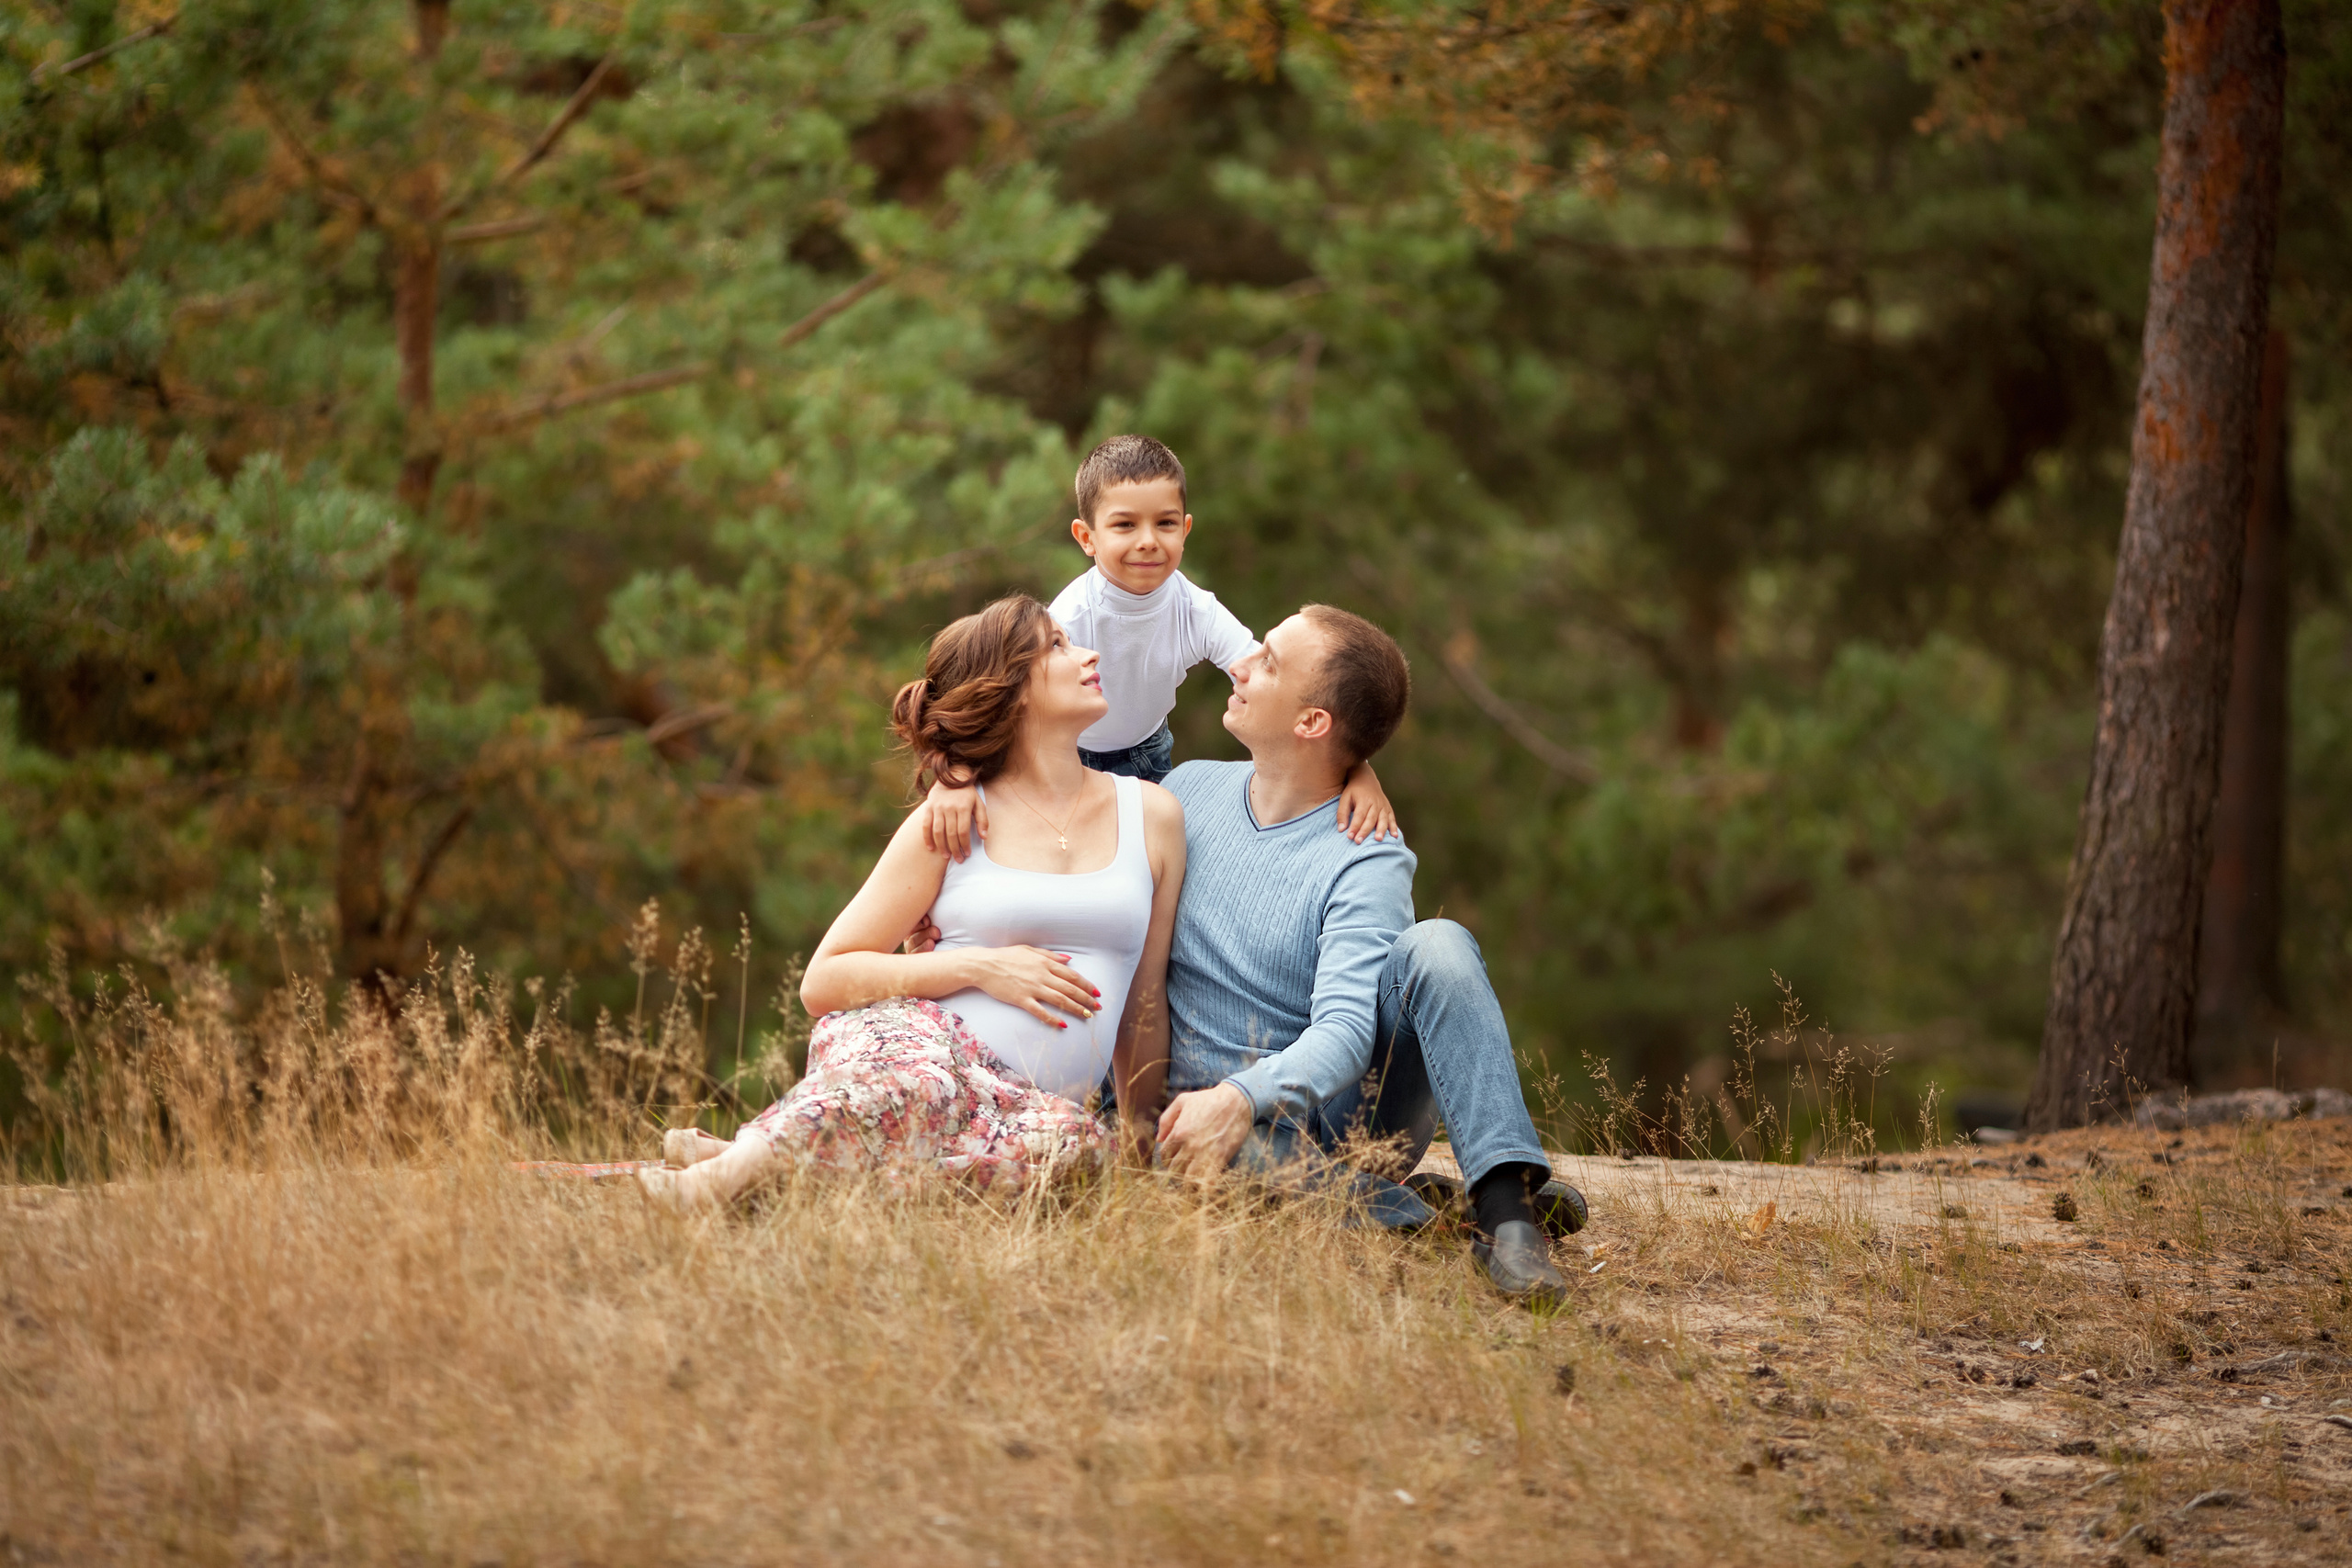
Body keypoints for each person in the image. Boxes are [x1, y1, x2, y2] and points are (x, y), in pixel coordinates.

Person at [637, 593, 1186, 1211]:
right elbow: (823, 980)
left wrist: (1141, 1154)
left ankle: (760, 1157)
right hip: (919, 1046)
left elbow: (1144, 1000)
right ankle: (710, 1186)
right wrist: (981, 967)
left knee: (1075, 1156)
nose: (1089, 655)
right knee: (923, 1085)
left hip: (1024, 1108)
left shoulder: (1153, 815)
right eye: (1057, 645)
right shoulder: (951, 820)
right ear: (1011, 689)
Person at [1149, 604, 1580, 1305]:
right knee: (1216, 1151)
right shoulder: (1184, 791)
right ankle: (1423, 1208)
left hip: (1345, 1122)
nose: (1242, 664)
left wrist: (1240, 1095)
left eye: (1269, 662)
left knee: (1438, 944)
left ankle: (1508, 1214)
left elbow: (1347, 1032)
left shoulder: (1366, 852)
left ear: (1311, 722)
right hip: (1208, 1118)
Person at [916, 435, 1397, 859]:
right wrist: (955, 777)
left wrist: (1356, 768)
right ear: (1087, 537)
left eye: (1165, 523)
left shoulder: (1195, 610)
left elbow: (1280, 685)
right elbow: (991, 695)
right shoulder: (1067, 619)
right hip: (1060, 754)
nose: (1148, 541)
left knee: (1150, 864)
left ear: (1184, 530)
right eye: (1125, 525)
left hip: (1148, 757)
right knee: (1060, 855)